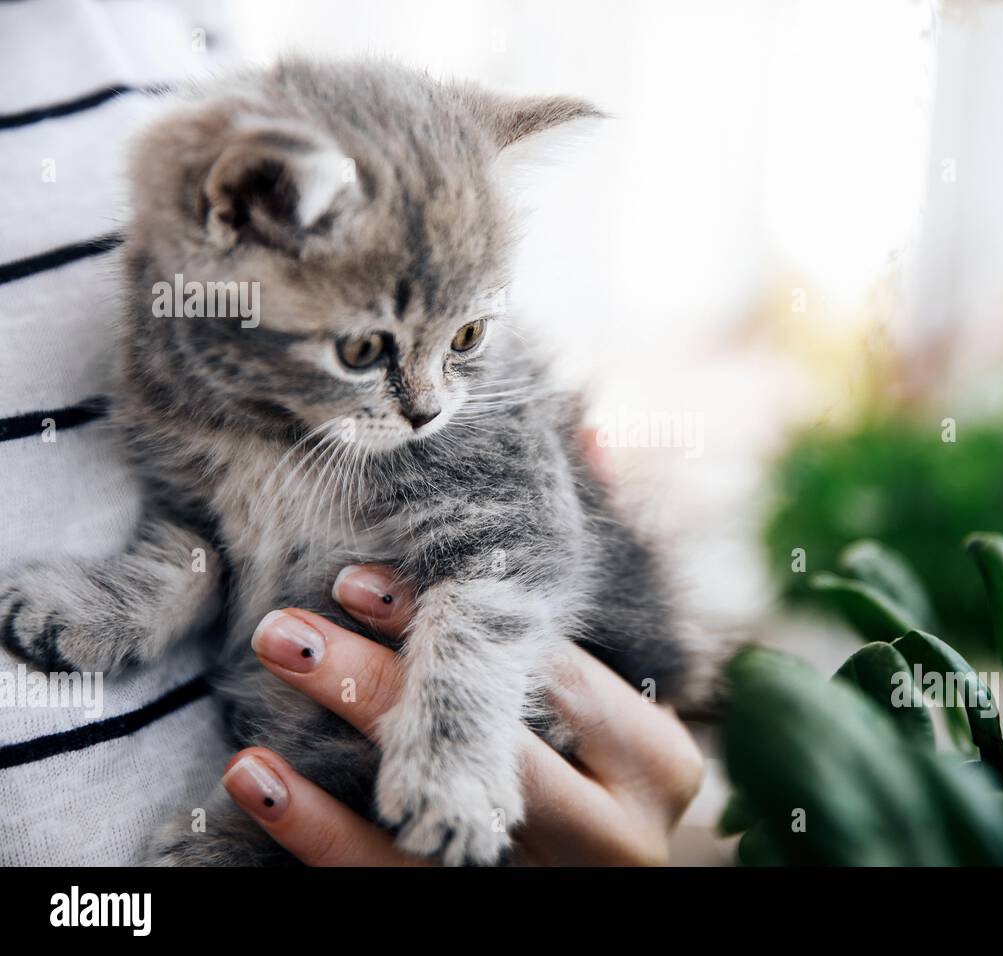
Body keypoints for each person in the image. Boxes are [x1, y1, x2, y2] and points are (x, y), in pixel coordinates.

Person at [0, 0, 701, 866]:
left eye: (467, 339)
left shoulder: (158, 23)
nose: (426, 403)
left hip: (517, 701)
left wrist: (453, 734)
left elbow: (511, 546)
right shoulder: (197, 325)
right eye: (367, 348)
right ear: (238, 214)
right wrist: (154, 594)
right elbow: (204, 523)